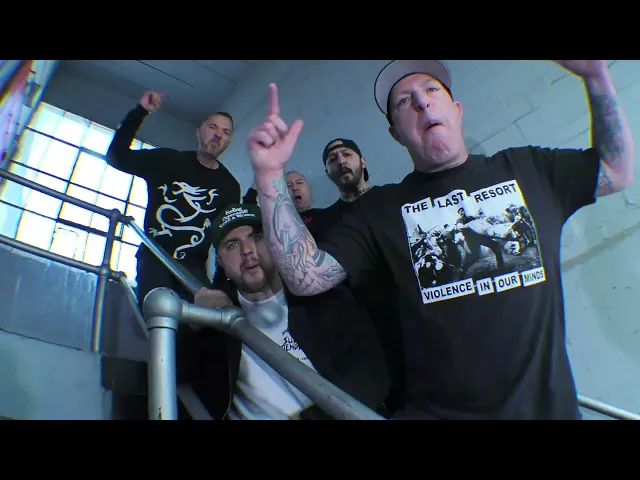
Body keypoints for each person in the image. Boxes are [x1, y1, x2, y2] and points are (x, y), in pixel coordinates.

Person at [245, 60, 635, 420]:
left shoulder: (528, 169)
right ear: (396, 134)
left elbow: (615, 171)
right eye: (404, 102)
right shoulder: (378, 210)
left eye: (432, 90)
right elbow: (305, 276)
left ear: (457, 110)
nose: (421, 102)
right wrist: (269, 174)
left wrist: (596, 75)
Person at [106, 89, 242, 419]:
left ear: (228, 142)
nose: (218, 135)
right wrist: (140, 112)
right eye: (213, 127)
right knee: (161, 312)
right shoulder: (167, 160)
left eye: (225, 132)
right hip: (155, 256)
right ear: (199, 132)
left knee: (204, 328)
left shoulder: (229, 187)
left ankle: (187, 397)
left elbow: (226, 240)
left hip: (192, 268)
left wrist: (220, 286)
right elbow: (117, 157)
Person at [198, 203, 390, 419]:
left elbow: (372, 375)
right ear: (221, 262)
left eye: (256, 237)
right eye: (232, 245)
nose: (247, 250)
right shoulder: (217, 318)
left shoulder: (323, 299)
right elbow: (180, 376)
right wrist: (193, 323)